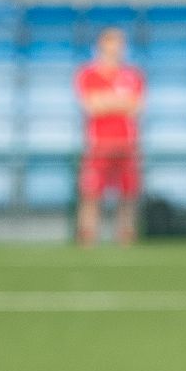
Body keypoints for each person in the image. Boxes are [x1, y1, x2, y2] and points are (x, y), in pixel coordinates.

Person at [75, 27, 146, 247]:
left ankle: (126, 236)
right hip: (98, 144)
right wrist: (119, 102)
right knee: (91, 192)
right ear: (101, 46)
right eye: (111, 43)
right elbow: (91, 106)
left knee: (128, 194)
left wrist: (107, 101)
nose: (116, 48)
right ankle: (88, 236)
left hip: (127, 143)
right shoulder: (88, 74)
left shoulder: (133, 75)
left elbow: (136, 107)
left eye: (119, 44)